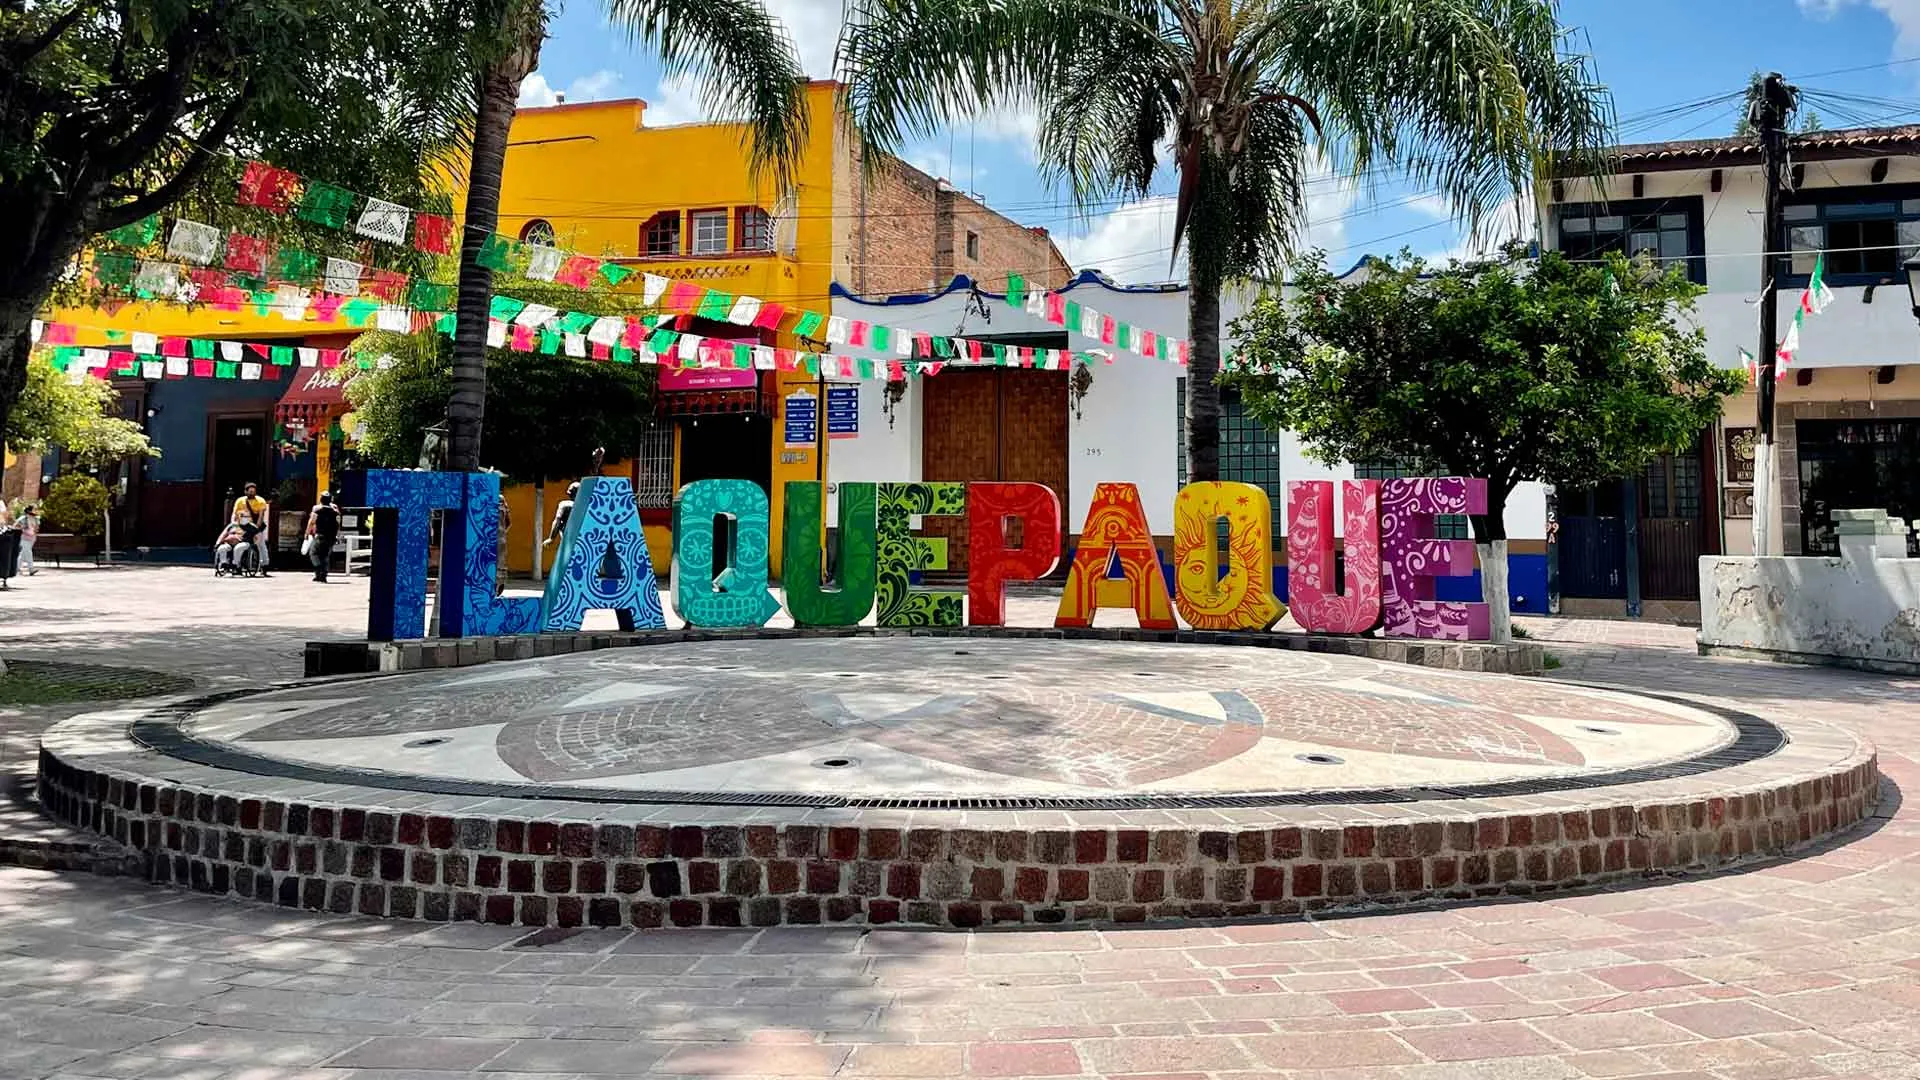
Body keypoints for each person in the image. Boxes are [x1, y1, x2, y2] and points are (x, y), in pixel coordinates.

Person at [232, 482, 271, 576]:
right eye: (250, 492)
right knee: (241, 545)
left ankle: (264, 565)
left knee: (261, 545)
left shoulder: (260, 501)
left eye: (253, 492)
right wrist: (233, 525)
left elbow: (261, 516)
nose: (252, 493)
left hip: (256, 526)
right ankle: (237, 565)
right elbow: (235, 514)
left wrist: (256, 529)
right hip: (243, 526)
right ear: (245, 492)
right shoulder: (240, 501)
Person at [540, 481, 579, 571]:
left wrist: (551, 538)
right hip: (582, 538)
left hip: (568, 538)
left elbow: (557, 521)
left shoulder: (564, 505)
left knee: (565, 561)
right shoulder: (586, 505)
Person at [305, 492, 341, 582]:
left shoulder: (317, 509)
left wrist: (307, 533)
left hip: (320, 535)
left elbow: (311, 522)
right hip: (331, 536)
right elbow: (338, 523)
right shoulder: (335, 510)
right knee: (325, 556)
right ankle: (323, 575)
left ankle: (319, 570)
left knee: (313, 553)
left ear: (321, 499)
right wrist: (337, 535)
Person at [15, 503, 39, 575]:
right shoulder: (23, 518)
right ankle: (31, 569)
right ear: (30, 510)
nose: (36, 510)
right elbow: (15, 526)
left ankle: (16, 568)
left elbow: (36, 528)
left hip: (32, 538)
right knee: (28, 552)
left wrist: (35, 531)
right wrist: (22, 528)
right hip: (24, 538)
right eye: (34, 509)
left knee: (23, 554)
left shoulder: (36, 519)